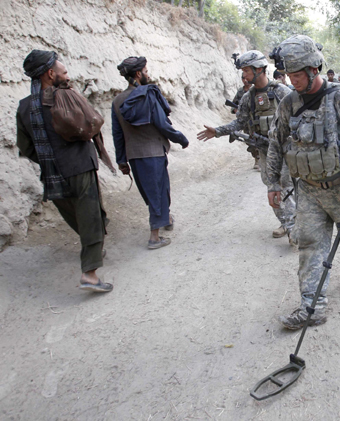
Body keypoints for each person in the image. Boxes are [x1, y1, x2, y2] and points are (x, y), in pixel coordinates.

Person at [267, 35, 340, 329]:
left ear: (314, 70)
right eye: (289, 75)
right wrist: (273, 184)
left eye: (297, 74)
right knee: (309, 246)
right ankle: (312, 308)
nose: (292, 81)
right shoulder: (289, 103)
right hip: (307, 192)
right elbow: (276, 143)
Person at [16, 50, 112, 293]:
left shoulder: (25, 106)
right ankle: (89, 273)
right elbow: (93, 122)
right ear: (50, 74)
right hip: (79, 166)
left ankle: (94, 248)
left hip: (52, 173)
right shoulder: (66, 96)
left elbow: (26, 147)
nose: (67, 76)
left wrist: (49, 158)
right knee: (89, 216)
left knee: (77, 217)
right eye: (64, 72)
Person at [198, 51, 296, 242]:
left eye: (246, 71)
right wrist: (217, 131)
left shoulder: (282, 92)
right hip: (265, 151)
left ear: (259, 69)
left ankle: (293, 229)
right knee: (271, 186)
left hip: (285, 150)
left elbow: (298, 118)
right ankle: (285, 222)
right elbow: (239, 123)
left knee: (286, 186)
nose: (244, 76)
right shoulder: (247, 98)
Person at [112, 56, 189, 250]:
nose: (148, 74)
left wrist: (121, 160)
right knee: (159, 191)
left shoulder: (117, 101)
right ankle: (154, 237)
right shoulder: (149, 94)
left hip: (134, 155)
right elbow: (162, 124)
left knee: (151, 191)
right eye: (146, 71)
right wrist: (180, 138)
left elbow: (117, 134)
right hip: (154, 152)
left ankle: (166, 218)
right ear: (138, 74)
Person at [232, 76, 259, 170]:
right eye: (243, 79)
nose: (245, 81)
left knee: (258, 138)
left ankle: (260, 159)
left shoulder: (255, 90)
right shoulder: (240, 92)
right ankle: (256, 158)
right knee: (250, 140)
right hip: (246, 121)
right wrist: (236, 110)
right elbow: (233, 104)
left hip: (255, 120)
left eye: (246, 78)